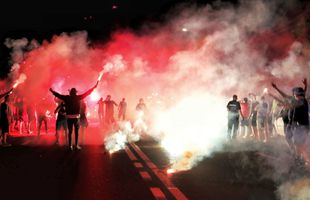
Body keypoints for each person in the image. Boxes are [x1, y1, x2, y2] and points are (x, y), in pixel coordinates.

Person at [49, 81, 98, 150]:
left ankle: (70, 146)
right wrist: (94, 87)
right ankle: (76, 145)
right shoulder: (78, 97)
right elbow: (87, 93)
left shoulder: (66, 98)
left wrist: (52, 91)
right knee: (76, 132)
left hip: (69, 117)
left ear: (70, 93)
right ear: (76, 92)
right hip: (76, 117)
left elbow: (58, 95)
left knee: (70, 132)